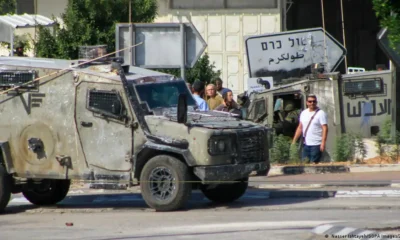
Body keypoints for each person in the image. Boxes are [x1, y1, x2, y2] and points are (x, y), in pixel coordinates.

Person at [292, 94, 328, 164]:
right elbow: (300, 127)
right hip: (306, 144)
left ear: (316, 102)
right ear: (307, 102)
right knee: (304, 163)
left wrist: (323, 142)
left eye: (314, 101)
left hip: (316, 144)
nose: (312, 103)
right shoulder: (303, 113)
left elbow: (325, 128)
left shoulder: (321, 113)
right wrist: (294, 141)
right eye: (310, 101)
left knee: (314, 164)